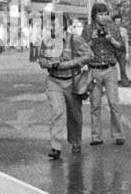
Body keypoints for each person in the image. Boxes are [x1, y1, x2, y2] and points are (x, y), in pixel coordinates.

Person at [38, 15, 92, 160]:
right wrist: (50, 64)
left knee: (74, 116)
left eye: (54, 25)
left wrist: (68, 64)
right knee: (57, 112)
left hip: (72, 82)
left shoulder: (74, 40)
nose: (51, 28)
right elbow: (41, 60)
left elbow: (89, 55)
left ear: (63, 26)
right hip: (54, 81)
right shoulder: (46, 41)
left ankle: (75, 142)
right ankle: (55, 147)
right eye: (50, 25)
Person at [85, 2, 126, 146]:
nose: (103, 17)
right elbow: (81, 49)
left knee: (114, 102)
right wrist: (92, 40)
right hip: (94, 69)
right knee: (95, 104)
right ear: (94, 16)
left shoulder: (113, 28)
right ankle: (96, 136)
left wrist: (111, 40)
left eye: (105, 14)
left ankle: (119, 134)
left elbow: (122, 48)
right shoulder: (88, 29)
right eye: (100, 14)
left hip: (110, 69)